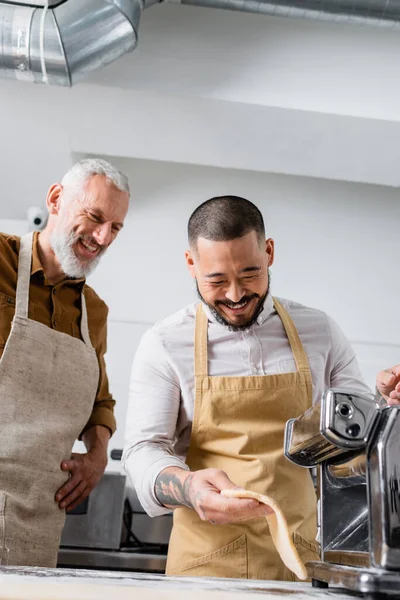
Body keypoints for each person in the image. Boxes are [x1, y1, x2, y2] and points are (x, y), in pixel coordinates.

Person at [123, 195, 400, 581]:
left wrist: (385, 407)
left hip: (301, 559)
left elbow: (353, 443)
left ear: (269, 253)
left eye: (250, 274)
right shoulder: (166, 343)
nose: (235, 295)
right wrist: (188, 488)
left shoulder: (319, 331)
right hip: (205, 568)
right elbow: (143, 450)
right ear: (191, 264)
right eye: (216, 280)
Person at [0, 158, 130, 567]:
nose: (102, 237)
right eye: (94, 217)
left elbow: (100, 403)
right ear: (56, 199)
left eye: (115, 228)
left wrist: (98, 453)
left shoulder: (94, 311)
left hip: (39, 521)